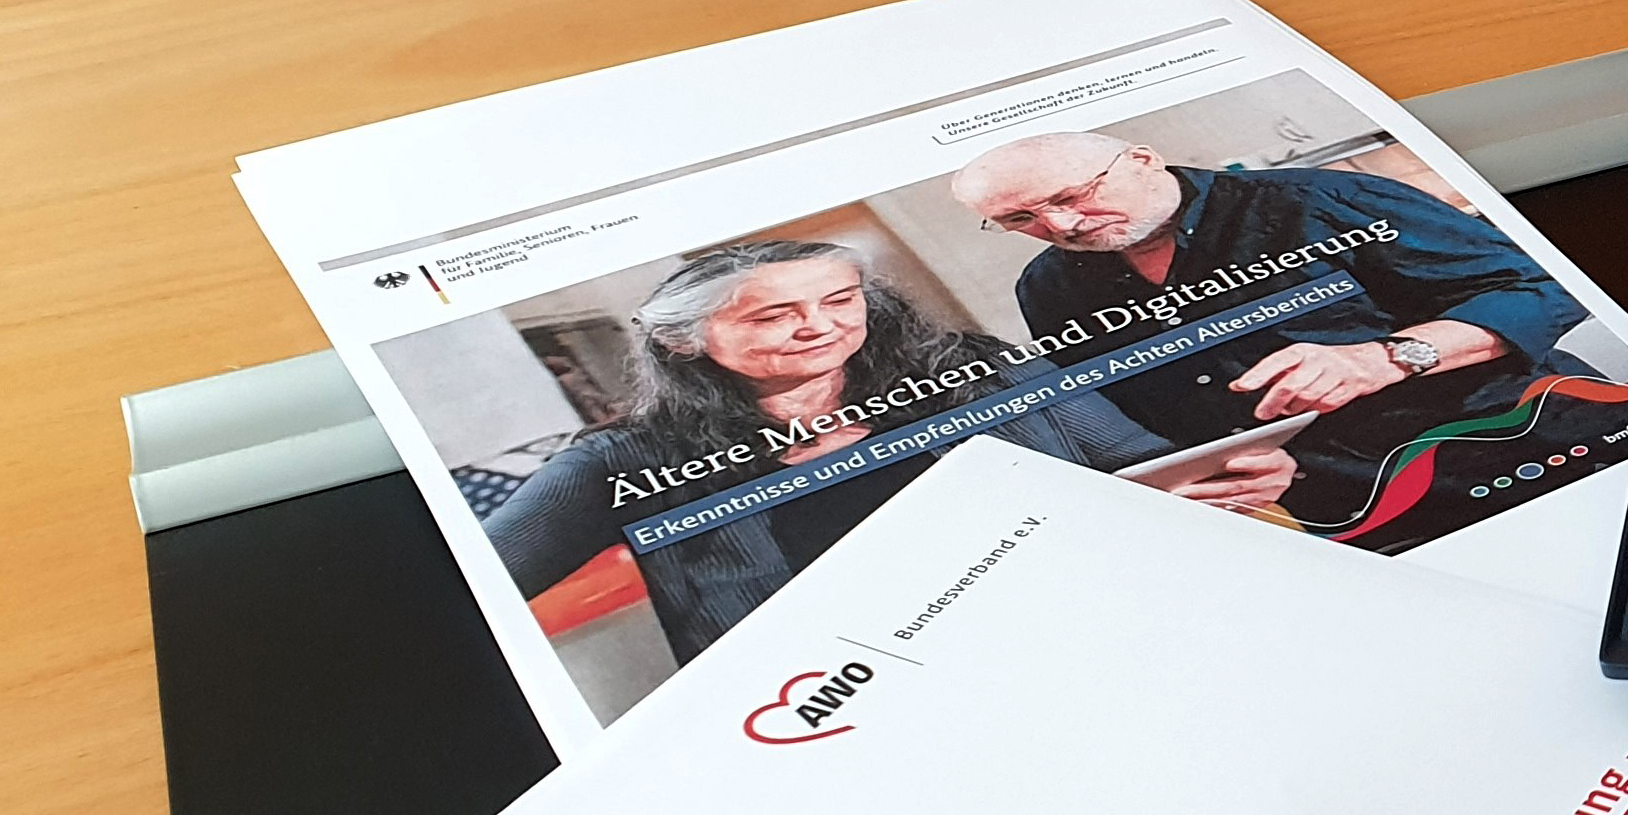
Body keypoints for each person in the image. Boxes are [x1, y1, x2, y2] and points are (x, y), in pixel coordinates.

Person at [481, 237, 1290, 663]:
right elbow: (480, 593)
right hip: (860, 687)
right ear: (684, 342)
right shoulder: (622, 460)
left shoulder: (982, 370)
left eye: (840, 300)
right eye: (772, 316)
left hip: (1094, 625)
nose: (819, 327)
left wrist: (1231, 476)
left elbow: (1139, 462)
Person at [946, 131, 1588, 530]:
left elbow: (1547, 286)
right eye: (1021, 219)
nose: (1061, 227)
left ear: (1142, 160)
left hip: (1521, 444)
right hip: (1339, 504)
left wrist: (1389, 357)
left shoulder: (1321, 200)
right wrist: (1231, 469)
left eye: (1071, 197)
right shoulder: (1047, 288)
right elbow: (1150, 411)